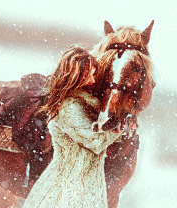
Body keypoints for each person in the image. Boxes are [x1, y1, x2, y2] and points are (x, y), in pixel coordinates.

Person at [22, 44, 124, 208]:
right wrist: (116, 130)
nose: (93, 80)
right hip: (68, 190)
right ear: (76, 77)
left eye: (93, 74)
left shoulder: (84, 104)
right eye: (88, 76)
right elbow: (95, 143)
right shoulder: (70, 107)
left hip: (82, 186)